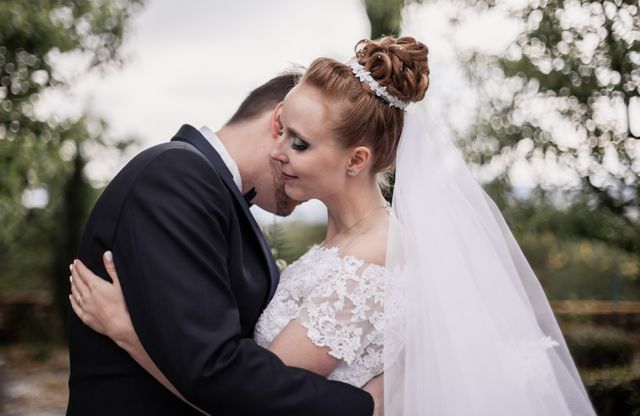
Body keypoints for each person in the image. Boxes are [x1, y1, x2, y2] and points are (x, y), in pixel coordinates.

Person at [70, 36, 597, 415]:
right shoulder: (335, 249)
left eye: (298, 142)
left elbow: (240, 395)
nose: (277, 153)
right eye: (281, 133)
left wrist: (132, 334)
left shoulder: (371, 258)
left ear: (355, 159)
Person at [65, 72, 377, 415]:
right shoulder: (176, 176)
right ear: (280, 122)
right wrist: (366, 408)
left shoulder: (216, 195)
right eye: (298, 142)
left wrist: (130, 333)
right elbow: (209, 364)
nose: (301, 196)